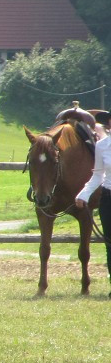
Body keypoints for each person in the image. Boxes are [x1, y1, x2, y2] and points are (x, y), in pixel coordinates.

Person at [75, 111, 111, 291]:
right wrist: (84, 194)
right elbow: (98, 175)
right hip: (108, 197)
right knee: (110, 244)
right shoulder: (102, 146)